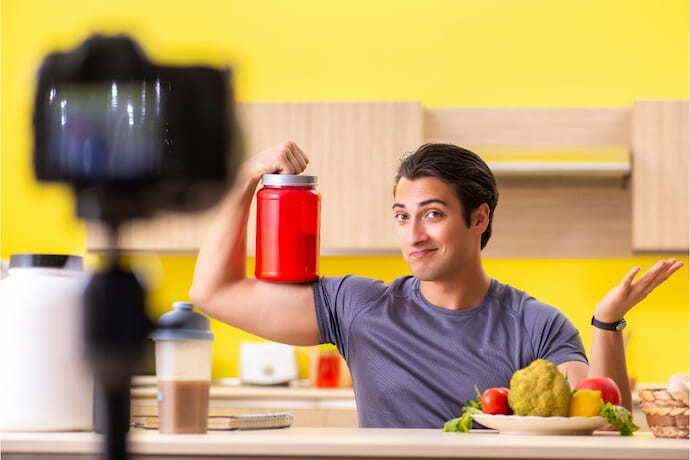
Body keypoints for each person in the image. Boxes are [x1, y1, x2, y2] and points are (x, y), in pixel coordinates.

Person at [190, 141, 683, 428]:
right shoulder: (359, 306)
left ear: (478, 218)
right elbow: (212, 292)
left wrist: (607, 322)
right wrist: (247, 180)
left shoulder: (534, 323)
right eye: (402, 216)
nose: (414, 235)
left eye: (433, 214)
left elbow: (602, 422)